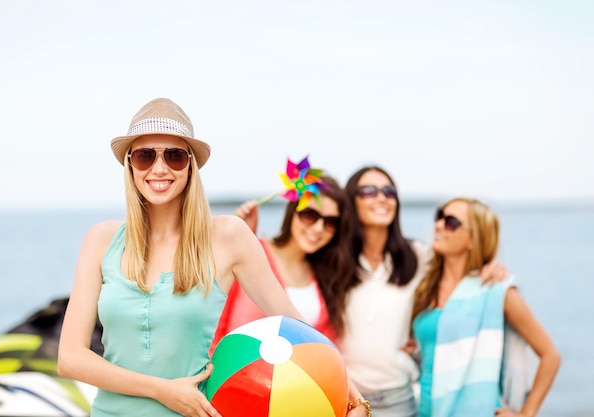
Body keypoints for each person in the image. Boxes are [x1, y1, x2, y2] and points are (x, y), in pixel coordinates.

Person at [57, 98, 369, 417]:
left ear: (191, 164)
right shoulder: (101, 239)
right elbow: (70, 358)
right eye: (145, 155)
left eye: (175, 156)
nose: (160, 168)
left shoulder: (228, 236)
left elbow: (300, 329)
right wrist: (161, 390)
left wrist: (354, 399)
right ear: (130, 165)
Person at [332, 165, 508, 417]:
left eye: (389, 191)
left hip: (399, 399)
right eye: (369, 191)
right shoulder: (333, 261)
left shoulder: (418, 256)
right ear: (351, 201)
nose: (381, 197)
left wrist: (490, 265)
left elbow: (460, 263)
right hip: (344, 397)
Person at [411, 197, 561, 417]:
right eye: (439, 216)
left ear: (474, 239)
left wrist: (526, 414)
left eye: (451, 222)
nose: (439, 225)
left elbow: (550, 356)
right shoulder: (426, 286)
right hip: (425, 410)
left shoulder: (494, 290)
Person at [211, 174, 354, 351]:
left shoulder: (327, 276)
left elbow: (322, 349)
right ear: (292, 212)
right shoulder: (253, 253)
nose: (318, 228)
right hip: (233, 374)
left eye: (330, 222)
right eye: (309, 215)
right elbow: (214, 321)